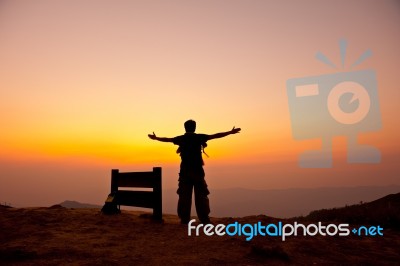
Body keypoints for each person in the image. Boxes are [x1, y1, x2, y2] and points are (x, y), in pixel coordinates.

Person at [148, 120, 241, 224]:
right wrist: (230, 132)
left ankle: (184, 219)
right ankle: (204, 219)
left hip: (184, 172)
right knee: (201, 195)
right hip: (198, 171)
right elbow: (215, 136)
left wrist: (156, 138)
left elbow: (167, 140)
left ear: (185, 127)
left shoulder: (181, 139)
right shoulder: (199, 137)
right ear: (195, 127)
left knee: (184, 195)